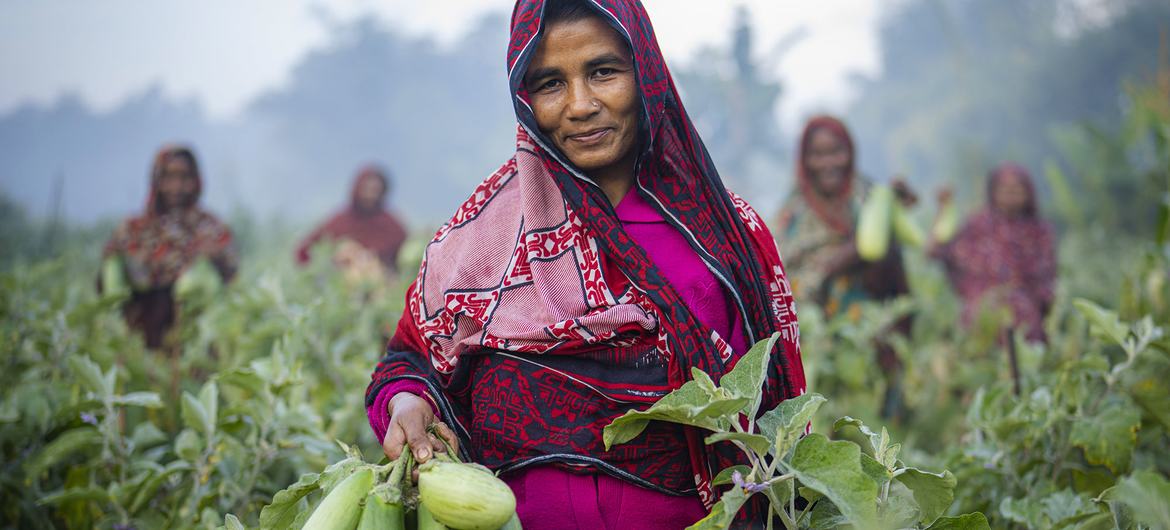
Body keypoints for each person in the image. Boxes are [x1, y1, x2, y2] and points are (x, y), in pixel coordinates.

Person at [365, 0, 806, 527]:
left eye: (603, 72)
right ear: (525, 97)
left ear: (646, 72)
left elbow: (772, 409)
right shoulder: (483, 234)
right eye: (550, 83)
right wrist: (406, 402)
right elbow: (409, 361)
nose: (580, 104)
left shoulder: (724, 238)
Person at [773, 115, 914, 419]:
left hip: (870, 323)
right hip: (816, 329)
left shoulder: (868, 196)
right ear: (804, 159)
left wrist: (896, 201)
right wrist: (831, 266)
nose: (827, 163)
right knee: (826, 411)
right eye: (817, 154)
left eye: (836, 151)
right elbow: (781, 271)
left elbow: (898, 242)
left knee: (872, 420)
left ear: (850, 153)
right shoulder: (794, 210)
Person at [101, 145, 237, 349]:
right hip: (140, 336)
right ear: (156, 180)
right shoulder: (134, 228)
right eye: (168, 178)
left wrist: (212, 260)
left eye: (185, 178)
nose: (177, 187)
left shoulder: (210, 227)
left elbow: (231, 272)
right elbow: (112, 282)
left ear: (196, 181)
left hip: (194, 336)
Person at [929, 163, 1057, 343]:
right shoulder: (976, 226)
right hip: (979, 321)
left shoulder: (1039, 232)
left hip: (1026, 326)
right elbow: (939, 251)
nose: (1010, 193)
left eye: (1017, 187)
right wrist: (944, 210)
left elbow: (1047, 282)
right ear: (993, 192)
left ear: (1028, 192)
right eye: (1004, 187)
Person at [295, 165, 408, 274]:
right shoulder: (340, 221)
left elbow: (406, 260)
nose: (370, 195)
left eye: (375, 190)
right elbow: (306, 250)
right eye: (366, 189)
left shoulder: (392, 227)